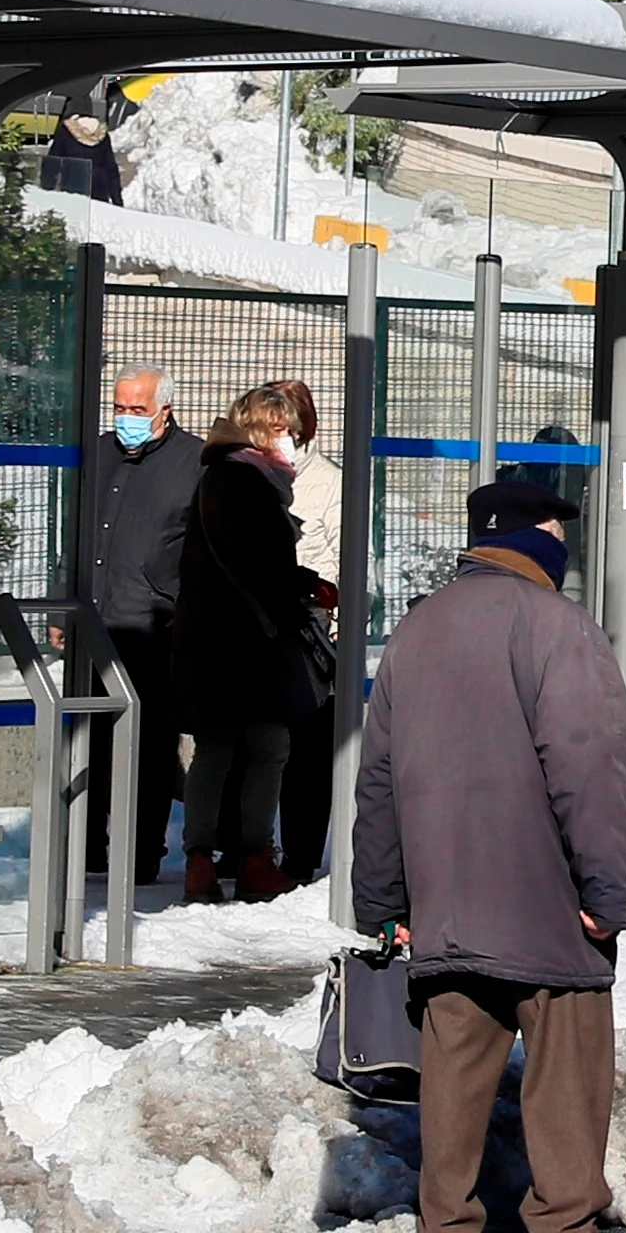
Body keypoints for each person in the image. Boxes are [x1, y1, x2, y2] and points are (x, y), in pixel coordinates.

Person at [352, 482, 626, 1233]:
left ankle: (444, 1224)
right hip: (548, 916)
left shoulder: (416, 629)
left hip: (444, 915)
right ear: (538, 539)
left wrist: (382, 903)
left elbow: (376, 780)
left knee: (450, 1103)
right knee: (567, 1115)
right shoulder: (559, 626)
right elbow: (591, 772)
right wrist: (607, 898)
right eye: (556, 531)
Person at [171, 384, 326, 903]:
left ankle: (201, 860)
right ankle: (255, 855)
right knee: (270, 747)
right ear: (262, 431)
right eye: (284, 432)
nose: (292, 444)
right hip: (249, 644)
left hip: (209, 640)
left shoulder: (217, 476)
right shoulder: (251, 481)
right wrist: (301, 592)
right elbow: (264, 569)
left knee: (215, 750)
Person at [76, 365, 199, 884]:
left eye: (138, 410)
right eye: (120, 408)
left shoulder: (194, 462)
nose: (126, 419)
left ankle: (144, 850)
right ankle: (88, 847)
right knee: (89, 740)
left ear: (164, 410)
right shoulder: (97, 452)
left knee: (150, 747)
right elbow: (77, 527)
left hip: (154, 625)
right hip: (94, 619)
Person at [265, 376, 340, 886]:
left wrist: (333, 606)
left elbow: (351, 553)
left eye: (282, 426)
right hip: (254, 623)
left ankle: (301, 855)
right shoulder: (243, 472)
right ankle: (240, 847)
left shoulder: (328, 481)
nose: (274, 436)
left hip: (310, 626)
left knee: (307, 749)